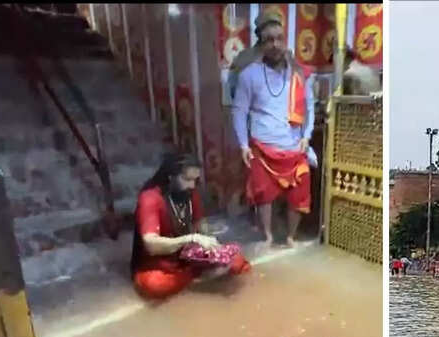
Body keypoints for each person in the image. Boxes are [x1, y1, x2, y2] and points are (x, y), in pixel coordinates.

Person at [231, 12, 316, 249]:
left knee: (300, 194)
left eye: (279, 38)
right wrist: (243, 145)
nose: (276, 45)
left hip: (294, 145)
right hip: (262, 145)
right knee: (263, 195)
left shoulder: (299, 74)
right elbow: (239, 111)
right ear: (261, 43)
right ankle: (267, 236)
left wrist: (307, 137)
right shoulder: (249, 75)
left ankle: (290, 237)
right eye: (269, 40)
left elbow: (309, 107)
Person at [131, 153, 251, 300]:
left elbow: (199, 224)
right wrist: (192, 238)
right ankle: (198, 278)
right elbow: (151, 244)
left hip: (187, 256)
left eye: (195, 180)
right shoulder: (150, 198)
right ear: (171, 177)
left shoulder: (190, 193)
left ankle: (195, 277)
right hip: (159, 264)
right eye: (187, 180)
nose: (192, 185)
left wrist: (211, 241)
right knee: (154, 285)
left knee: (237, 262)